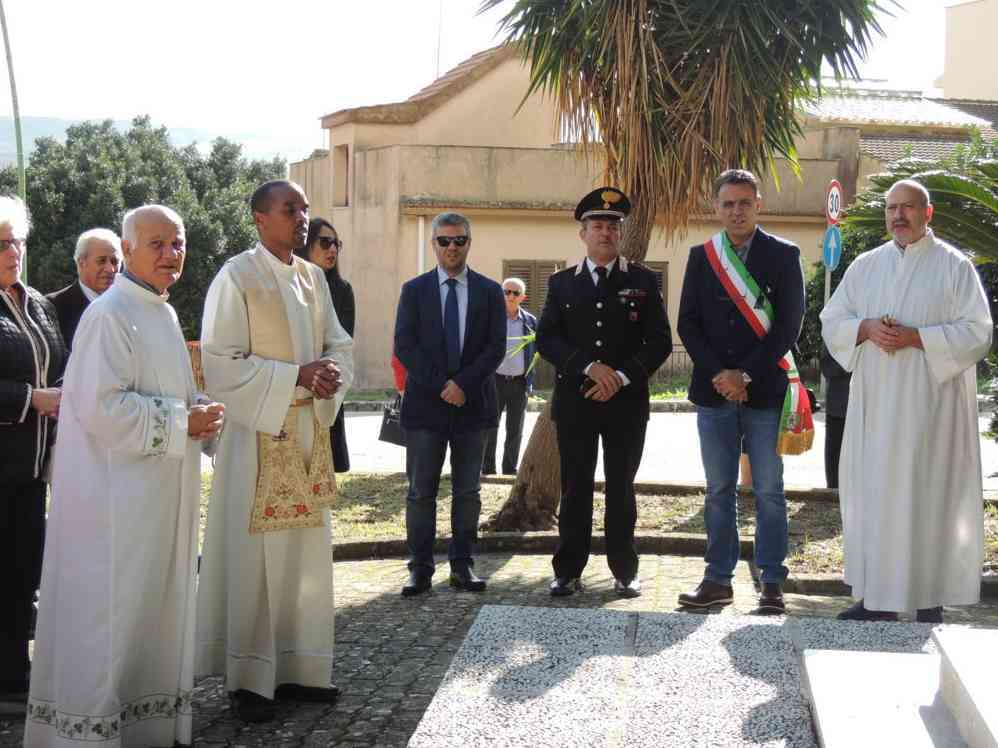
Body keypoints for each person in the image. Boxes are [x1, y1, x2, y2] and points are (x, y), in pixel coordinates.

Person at [24, 205, 224, 747]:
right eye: (156, 244)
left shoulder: (158, 310)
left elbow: (159, 394)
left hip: (154, 501)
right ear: (129, 250)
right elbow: (101, 408)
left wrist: (198, 410)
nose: (170, 254)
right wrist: (186, 420)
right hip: (114, 508)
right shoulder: (111, 314)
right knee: (110, 620)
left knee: (147, 617)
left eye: (177, 243)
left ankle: (146, 730)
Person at [195, 180, 354, 723]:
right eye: (291, 209)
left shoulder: (314, 277)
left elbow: (340, 342)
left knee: (304, 559)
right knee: (255, 562)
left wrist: (331, 373)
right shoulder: (236, 276)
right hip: (257, 442)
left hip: (306, 437)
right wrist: (296, 376)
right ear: (261, 218)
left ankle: (302, 668)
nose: (303, 217)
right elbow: (220, 362)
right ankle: (250, 678)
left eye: (306, 208)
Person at [821, 179, 992, 624]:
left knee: (925, 496)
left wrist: (918, 338)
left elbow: (978, 333)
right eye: (891, 208)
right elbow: (832, 319)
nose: (899, 216)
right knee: (875, 494)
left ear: (927, 213)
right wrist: (866, 328)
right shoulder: (865, 265)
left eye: (908, 208)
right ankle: (876, 598)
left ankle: (927, 596)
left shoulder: (955, 267)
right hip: (875, 410)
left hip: (930, 412)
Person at [676, 169, 806, 615]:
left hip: (764, 391)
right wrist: (720, 374)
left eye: (744, 203)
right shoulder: (702, 256)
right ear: (718, 207)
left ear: (758, 204)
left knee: (769, 490)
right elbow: (687, 323)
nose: (736, 211)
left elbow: (789, 326)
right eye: (728, 203)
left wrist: (744, 375)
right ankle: (718, 580)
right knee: (718, 489)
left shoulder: (785, 255)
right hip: (714, 393)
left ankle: (771, 581)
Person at [539, 187, 672, 599]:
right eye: (597, 225)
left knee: (621, 488)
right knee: (575, 487)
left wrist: (620, 376)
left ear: (621, 233)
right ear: (583, 233)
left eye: (613, 225)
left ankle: (624, 569)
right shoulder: (562, 283)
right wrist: (589, 366)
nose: (605, 232)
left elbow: (659, 342)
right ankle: (568, 570)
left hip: (626, 406)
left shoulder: (643, 280)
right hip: (577, 403)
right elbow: (547, 339)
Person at [393, 212, 505, 597]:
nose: (452, 247)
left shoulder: (490, 291)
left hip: (473, 407)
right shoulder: (414, 290)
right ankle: (420, 569)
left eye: (459, 240)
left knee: (468, 493)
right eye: (444, 241)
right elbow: (404, 346)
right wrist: (443, 385)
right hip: (426, 409)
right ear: (434, 245)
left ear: (469, 243)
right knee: (420, 492)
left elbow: (495, 348)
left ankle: (462, 566)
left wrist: (462, 384)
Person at [0, 196, 65, 715]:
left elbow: (59, 363)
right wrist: (29, 399)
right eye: (2, 243)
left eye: (17, 240)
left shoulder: (37, 303)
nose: (13, 251)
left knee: (24, 572)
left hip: (33, 467)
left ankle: (17, 676)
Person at [296, 217, 354, 472]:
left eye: (336, 244)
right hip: (294, 387)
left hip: (325, 384)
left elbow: (341, 340)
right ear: (307, 244)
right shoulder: (292, 284)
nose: (332, 249)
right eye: (325, 242)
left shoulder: (342, 290)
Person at [482, 277, 537, 475]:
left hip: (519, 383)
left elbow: (534, 352)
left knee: (515, 430)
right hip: (494, 381)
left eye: (515, 293)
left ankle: (509, 469)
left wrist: (530, 381)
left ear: (523, 297)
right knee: (490, 427)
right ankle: (487, 468)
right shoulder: (490, 319)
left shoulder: (531, 322)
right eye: (507, 292)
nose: (510, 296)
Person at [46, 228, 122, 350]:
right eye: (101, 261)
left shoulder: (127, 306)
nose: (110, 269)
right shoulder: (53, 306)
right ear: (81, 263)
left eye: (114, 261)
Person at [820, 344, 850, 490]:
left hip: (871, 408)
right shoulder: (835, 324)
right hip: (839, 409)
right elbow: (828, 367)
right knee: (834, 478)